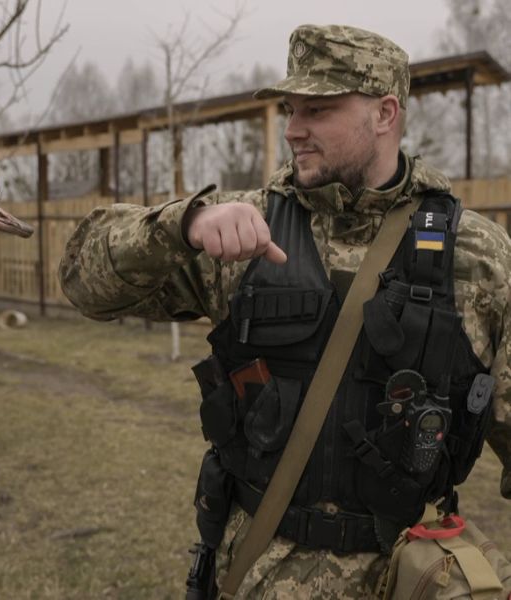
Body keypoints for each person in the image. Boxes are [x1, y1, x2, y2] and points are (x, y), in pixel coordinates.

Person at [59, 24, 511, 599]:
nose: (293, 129)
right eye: (290, 108)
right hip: (259, 574)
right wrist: (185, 225)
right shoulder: (241, 229)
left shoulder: (478, 257)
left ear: (385, 113)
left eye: (317, 109)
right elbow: (82, 280)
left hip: (407, 576)